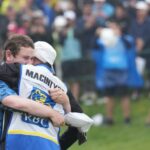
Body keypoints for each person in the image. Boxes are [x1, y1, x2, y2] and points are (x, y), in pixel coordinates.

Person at [0, 34, 85, 149]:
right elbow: (80, 124)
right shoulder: (62, 87)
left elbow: (15, 102)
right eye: (26, 58)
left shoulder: (19, 72)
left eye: (31, 59)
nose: (29, 63)